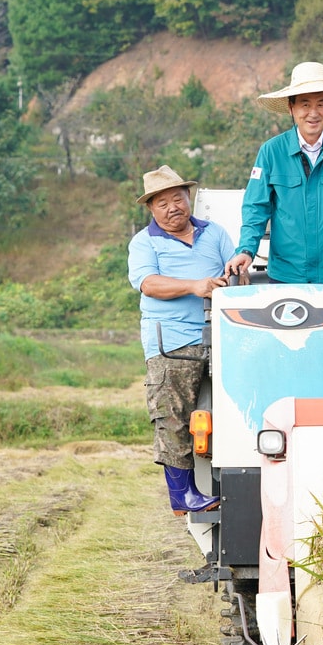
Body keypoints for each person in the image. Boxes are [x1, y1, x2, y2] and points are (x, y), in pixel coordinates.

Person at [128, 165, 236, 515]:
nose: (173, 207)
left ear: (189, 198)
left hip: (220, 334)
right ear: (151, 210)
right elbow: (148, 284)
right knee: (171, 415)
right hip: (171, 342)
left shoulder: (215, 233)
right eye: (163, 203)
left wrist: (234, 278)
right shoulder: (144, 242)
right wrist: (195, 286)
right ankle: (183, 496)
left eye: (178, 198)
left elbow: (233, 273)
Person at [224, 62, 323, 284]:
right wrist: (246, 250)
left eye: (321, 104)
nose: (313, 113)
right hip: (286, 275)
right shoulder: (271, 151)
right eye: (305, 105)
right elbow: (255, 208)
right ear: (291, 108)